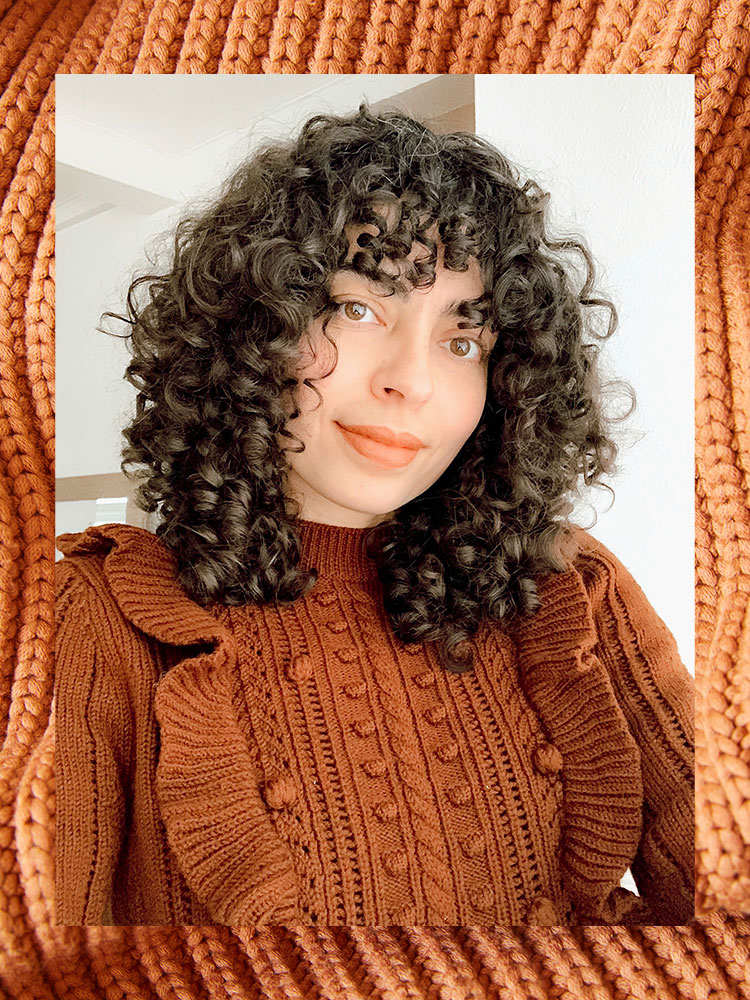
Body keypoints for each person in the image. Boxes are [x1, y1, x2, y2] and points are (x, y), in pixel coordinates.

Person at [54, 104, 694, 927]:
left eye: (462, 341)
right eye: (359, 308)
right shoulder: (96, 617)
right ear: (254, 328)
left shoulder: (572, 589)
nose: (412, 381)